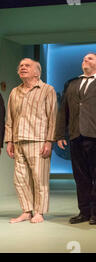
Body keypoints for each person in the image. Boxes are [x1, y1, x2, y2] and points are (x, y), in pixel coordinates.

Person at [55, 53, 96, 225]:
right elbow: (64, 111)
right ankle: (84, 211)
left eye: (90, 58)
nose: (85, 60)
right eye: (84, 58)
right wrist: (60, 134)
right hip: (76, 135)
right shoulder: (72, 84)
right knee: (81, 177)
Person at [5, 58, 57, 224]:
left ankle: (39, 212)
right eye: (20, 65)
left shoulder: (47, 90)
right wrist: (9, 141)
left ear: (37, 72)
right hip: (19, 140)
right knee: (19, 178)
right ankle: (26, 211)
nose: (22, 67)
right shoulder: (14, 92)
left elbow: (53, 118)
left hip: (39, 140)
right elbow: (10, 119)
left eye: (27, 65)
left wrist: (49, 141)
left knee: (39, 178)